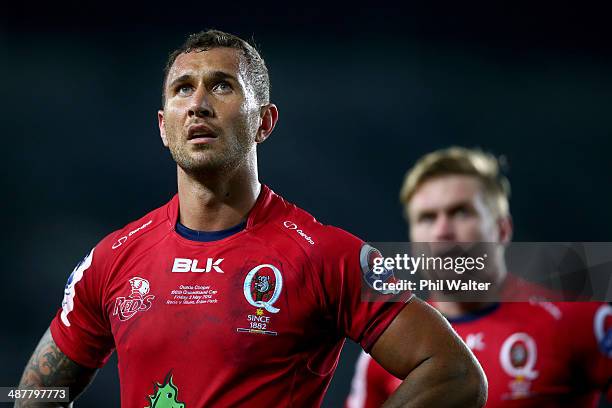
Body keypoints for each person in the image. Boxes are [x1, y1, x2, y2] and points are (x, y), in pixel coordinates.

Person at [16, 31, 486, 407]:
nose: (198, 103)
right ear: (164, 126)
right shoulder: (112, 259)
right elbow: (34, 396)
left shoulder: (326, 255)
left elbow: (455, 373)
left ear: (265, 121)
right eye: (183, 89)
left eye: (221, 85)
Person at [345, 146, 612, 407]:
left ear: (502, 230)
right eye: (427, 218)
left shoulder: (581, 320)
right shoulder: (384, 350)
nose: (442, 231)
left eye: (461, 212)